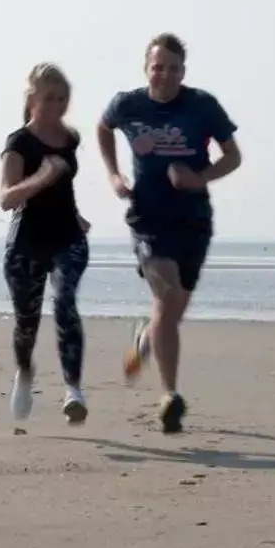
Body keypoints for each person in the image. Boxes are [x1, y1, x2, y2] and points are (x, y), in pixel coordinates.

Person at [97, 33, 241, 434]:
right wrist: (113, 174)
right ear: (147, 68)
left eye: (173, 68)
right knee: (167, 293)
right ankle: (170, 396)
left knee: (171, 311)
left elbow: (234, 156)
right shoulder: (128, 104)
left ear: (183, 72)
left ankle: (144, 342)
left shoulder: (202, 106)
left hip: (193, 220)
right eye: (158, 67)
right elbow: (103, 128)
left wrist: (199, 178)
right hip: (148, 219)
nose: (164, 75)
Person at [0, 63, 92, 425]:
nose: (55, 104)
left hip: (68, 237)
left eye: (61, 98)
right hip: (26, 244)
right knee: (27, 321)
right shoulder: (18, 143)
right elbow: (6, 198)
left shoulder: (71, 139)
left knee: (66, 301)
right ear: (32, 99)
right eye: (47, 97)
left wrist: (76, 214)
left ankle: (74, 390)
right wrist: (40, 178)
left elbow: (64, 188)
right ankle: (25, 373)